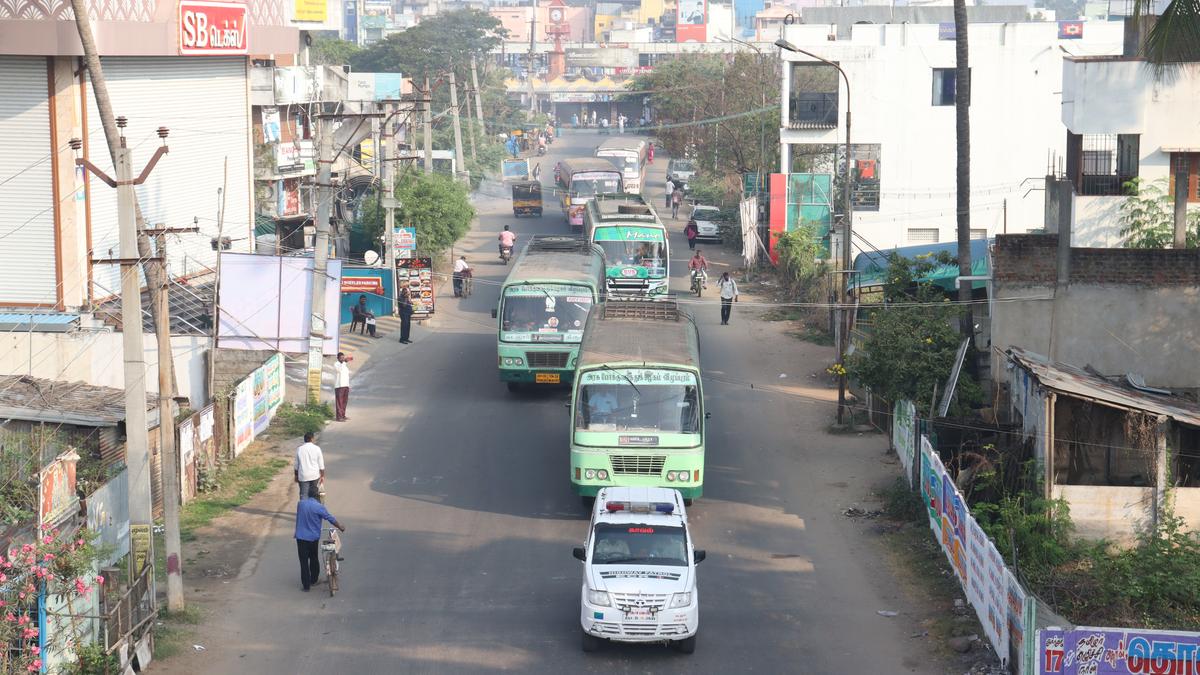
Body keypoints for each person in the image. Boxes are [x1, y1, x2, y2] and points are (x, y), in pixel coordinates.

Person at [295, 483, 345, 592]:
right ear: (318, 496)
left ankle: (306, 586)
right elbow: (330, 518)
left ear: (308, 495)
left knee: (303, 561)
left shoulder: (300, 504)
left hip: (301, 537)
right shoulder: (319, 507)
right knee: (313, 557)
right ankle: (314, 579)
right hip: (313, 538)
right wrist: (340, 527)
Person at [294, 432, 324, 500]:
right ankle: (315, 509)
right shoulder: (317, 448)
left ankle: (304, 509)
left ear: (304, 439)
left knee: (304, 495)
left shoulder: (299, 449)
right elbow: (321, 464)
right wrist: (322, 475)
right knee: (314, 494)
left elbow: (296, 465)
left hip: (303, 476)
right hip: (314, 475)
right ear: (312, 439)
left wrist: (296, 476)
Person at [333, 352, 351, 421]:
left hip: (345, 385)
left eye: (343, 357)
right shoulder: (336, 364)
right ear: (338, 358)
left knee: (344, 401)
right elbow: (339, 370)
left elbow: (346, 376)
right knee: (339, 402)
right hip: (339, 386)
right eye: (341, 358)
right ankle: (339, 417)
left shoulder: (344, 365)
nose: (343, 359)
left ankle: (343, 415)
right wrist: (344, 362)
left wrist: (348, 385)